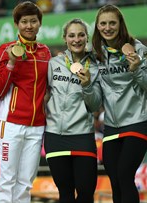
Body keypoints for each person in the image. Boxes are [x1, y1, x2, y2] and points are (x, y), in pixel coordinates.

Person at [92, 4, 147, 203]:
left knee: (124, 175)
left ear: (121, 24)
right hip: (112, 125)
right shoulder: (97, 54)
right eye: (103, 23)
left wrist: (136, 69)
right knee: (115, 181)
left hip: (138, 121)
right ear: (97, 26)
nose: (107, 27)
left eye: (112, 23)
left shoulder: (139, 49)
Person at [0, 1, 51, 203]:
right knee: (5, 181)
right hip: (10, 123)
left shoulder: (45, 52)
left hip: (36, 125)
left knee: (26, 182)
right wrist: (11, 63)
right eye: (24, 21)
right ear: (17, 24)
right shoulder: (5, 50)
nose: (29, 26)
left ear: (39, 23)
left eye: (33, 21)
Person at [44, 18, 102, 203]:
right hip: (55, 136)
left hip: (82, 135)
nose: (76, 39)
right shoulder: (53, 64)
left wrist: (87, 86)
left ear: (87, 38)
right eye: (71, 35)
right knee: (66, 195)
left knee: (85, 194)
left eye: (80, 35)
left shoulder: (95, 66)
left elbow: (94, 106)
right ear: (65, 38)